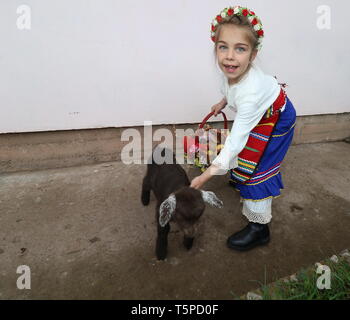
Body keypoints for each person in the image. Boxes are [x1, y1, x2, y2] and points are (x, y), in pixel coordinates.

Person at [190, 6, 297, 251]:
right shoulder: (232, 72)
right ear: (215, 47)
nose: (229, 56)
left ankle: (260, 229)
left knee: (257, 167)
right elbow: (232, 90)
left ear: (253, 54)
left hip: (278, 119)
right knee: (244, 157)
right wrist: (222, 102)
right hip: (261, 109)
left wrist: (206, 175)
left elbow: (235, 141)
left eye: (240, 49)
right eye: (223, 46)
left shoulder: (250, 95)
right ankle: (241, 176)